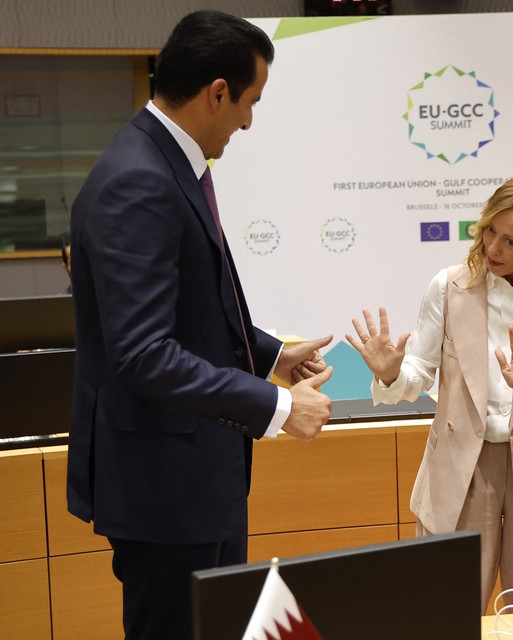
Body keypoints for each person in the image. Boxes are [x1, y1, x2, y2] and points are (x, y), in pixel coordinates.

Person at [66, 11, 334, 639]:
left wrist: (269, 356)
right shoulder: (140, 178)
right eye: (249, 103)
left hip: (194, 479)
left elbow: (191, 307)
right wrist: (276, 405)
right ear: (217, 92)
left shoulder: (162, 162)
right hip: (164, 491)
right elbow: (142, 353)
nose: (248, 121)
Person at [347, 174, 513, 613]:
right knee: (446, 612)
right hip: (461, 466)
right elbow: (418, 374)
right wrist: (390, 376)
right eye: (489, 231)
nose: (493, 249)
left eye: (512, 242)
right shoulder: (449, 285)